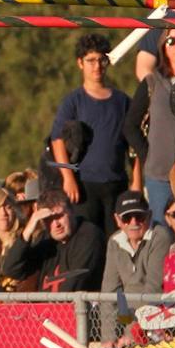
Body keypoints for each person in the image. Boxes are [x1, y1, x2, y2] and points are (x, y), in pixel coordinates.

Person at [49, 33, 131, 232]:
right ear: (80, 63)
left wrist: (137, 181)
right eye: (91, 60)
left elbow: (134, 144)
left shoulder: (122, 101)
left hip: (117, 184)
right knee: (90, 239)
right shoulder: (73, 101)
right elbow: (57, 139)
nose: (97, 66)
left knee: (117, 241)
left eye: (102, 59)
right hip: (84, 186)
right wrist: (67, 177)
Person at [125, 26, 175, 222]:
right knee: (161, 232)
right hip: (159, 176)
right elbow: (130, 125)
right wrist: (147, 156)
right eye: (171, 41)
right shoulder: (151, 82)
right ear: (163, 47)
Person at [1, 187, 104, 292]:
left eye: (59, 216)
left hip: (78, 306)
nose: (56, 224)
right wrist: (29, 228)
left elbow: (75, 282)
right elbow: (11, 269)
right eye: (48, 219)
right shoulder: (46, 240)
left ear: (72, 211)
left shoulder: (89, 235)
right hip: (48, 306)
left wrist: (50, 306)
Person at [99, 190, 170, 298]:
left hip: (154, 309)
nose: (134, 222)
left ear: (149, 216)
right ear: (118, 220)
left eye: (139, 216)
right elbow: (110, 290)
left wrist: (137, 314)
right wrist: (118, 315)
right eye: (127, 218)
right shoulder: (114, 242)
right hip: (125, 312)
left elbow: (154, 288)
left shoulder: (160, 237)